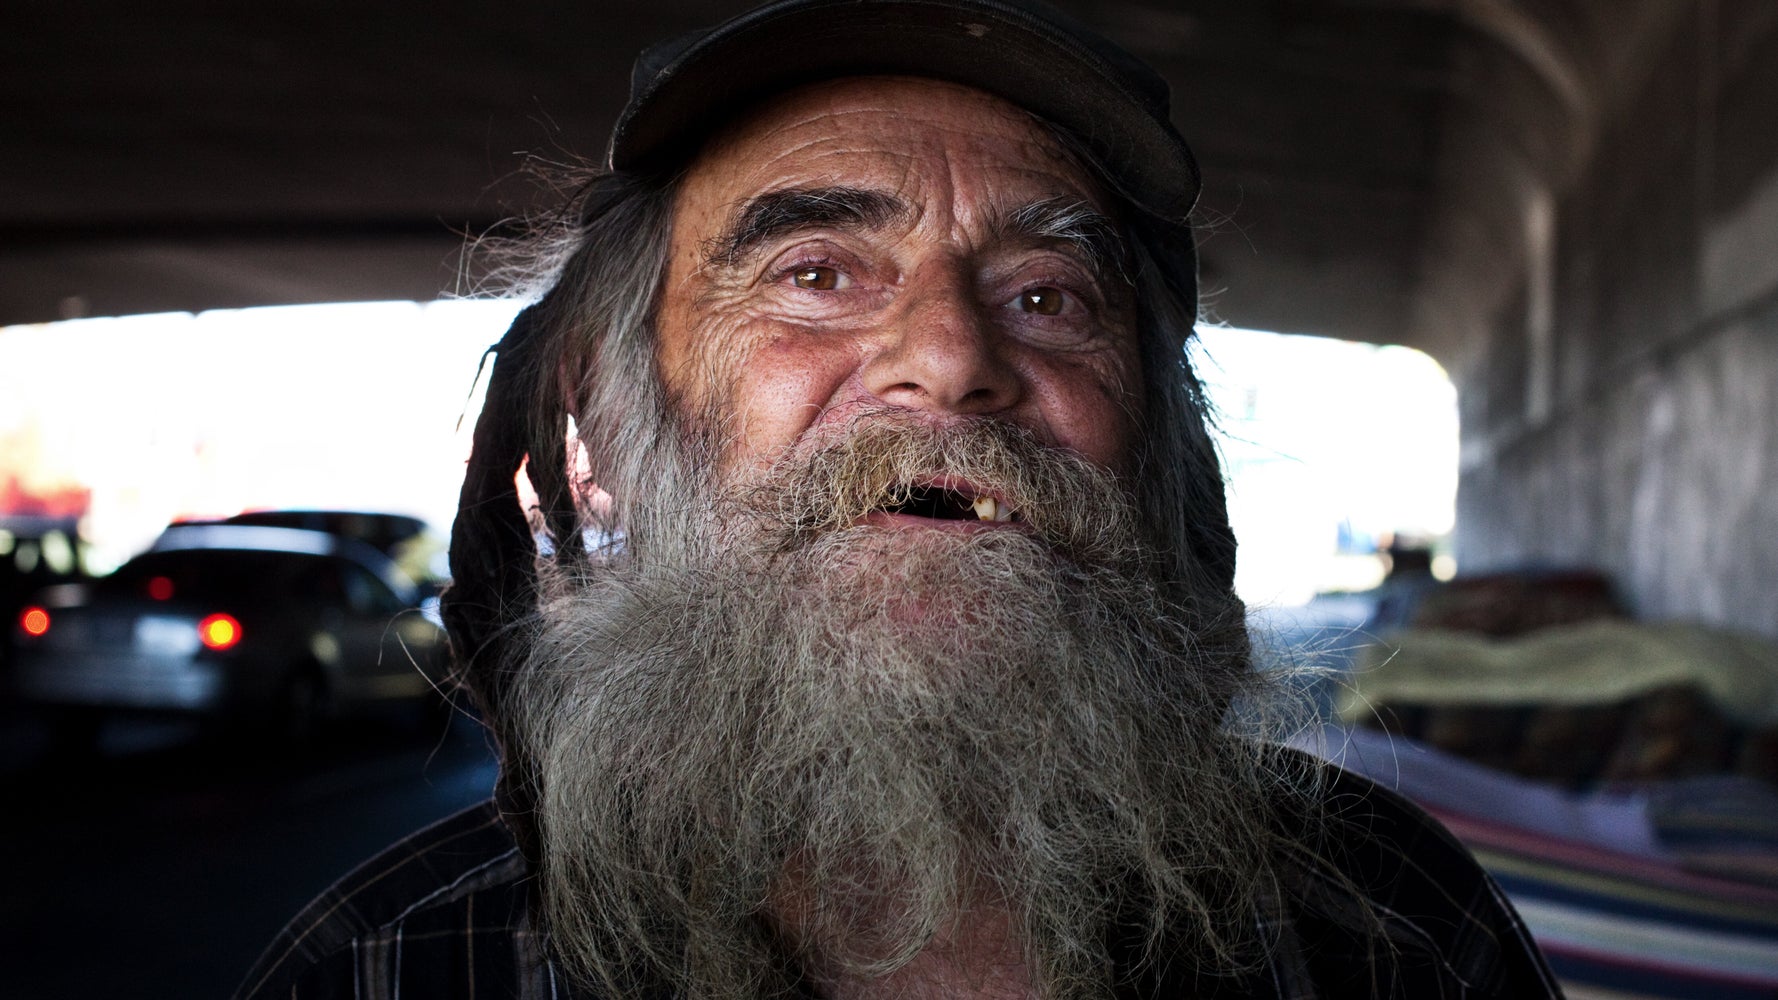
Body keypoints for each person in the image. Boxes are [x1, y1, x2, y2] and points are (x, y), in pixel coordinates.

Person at [235, 1, 1562, 997]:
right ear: (606, 425)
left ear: (1157, 449)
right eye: (815, 273)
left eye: (1047, 296)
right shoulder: (391, 968)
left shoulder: (1380, 919)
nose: (951, 358)